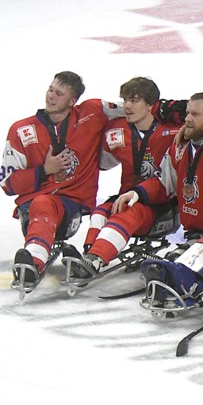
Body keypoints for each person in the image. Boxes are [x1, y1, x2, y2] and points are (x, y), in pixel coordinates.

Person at [118, 93, 203, 298]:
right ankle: (175, 269)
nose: (187, 119)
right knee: (176, 260)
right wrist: (138, 192)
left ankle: (182, 275)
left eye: (195, 114)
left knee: (184, 269)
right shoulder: (180, 147)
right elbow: (164, 183)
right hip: (193, 234)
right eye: (187, 113)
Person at [2, 71, 123, 284]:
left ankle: (33, 262)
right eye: (50, 90)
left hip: (71, 209)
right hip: (31, 209)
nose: (51, 96)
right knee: (42, 202)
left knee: (45, 202)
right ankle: (34, 259)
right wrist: (43, 170)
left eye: (59, 93)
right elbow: (8, 183)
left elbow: (135, 107)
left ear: (73, 101)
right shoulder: (22, 130)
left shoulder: (92, 113)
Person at [71, 77, 184, 278]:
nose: (127, 106)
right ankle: (90, 253)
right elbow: (105, 163)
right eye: (126, 100)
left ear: (151, 105)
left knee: (127, 214)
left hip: (161, 205)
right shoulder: (116, 130)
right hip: (127, 199)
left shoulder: (174, 131)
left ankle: (96, 258)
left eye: (135, 100)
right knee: (100, 212)